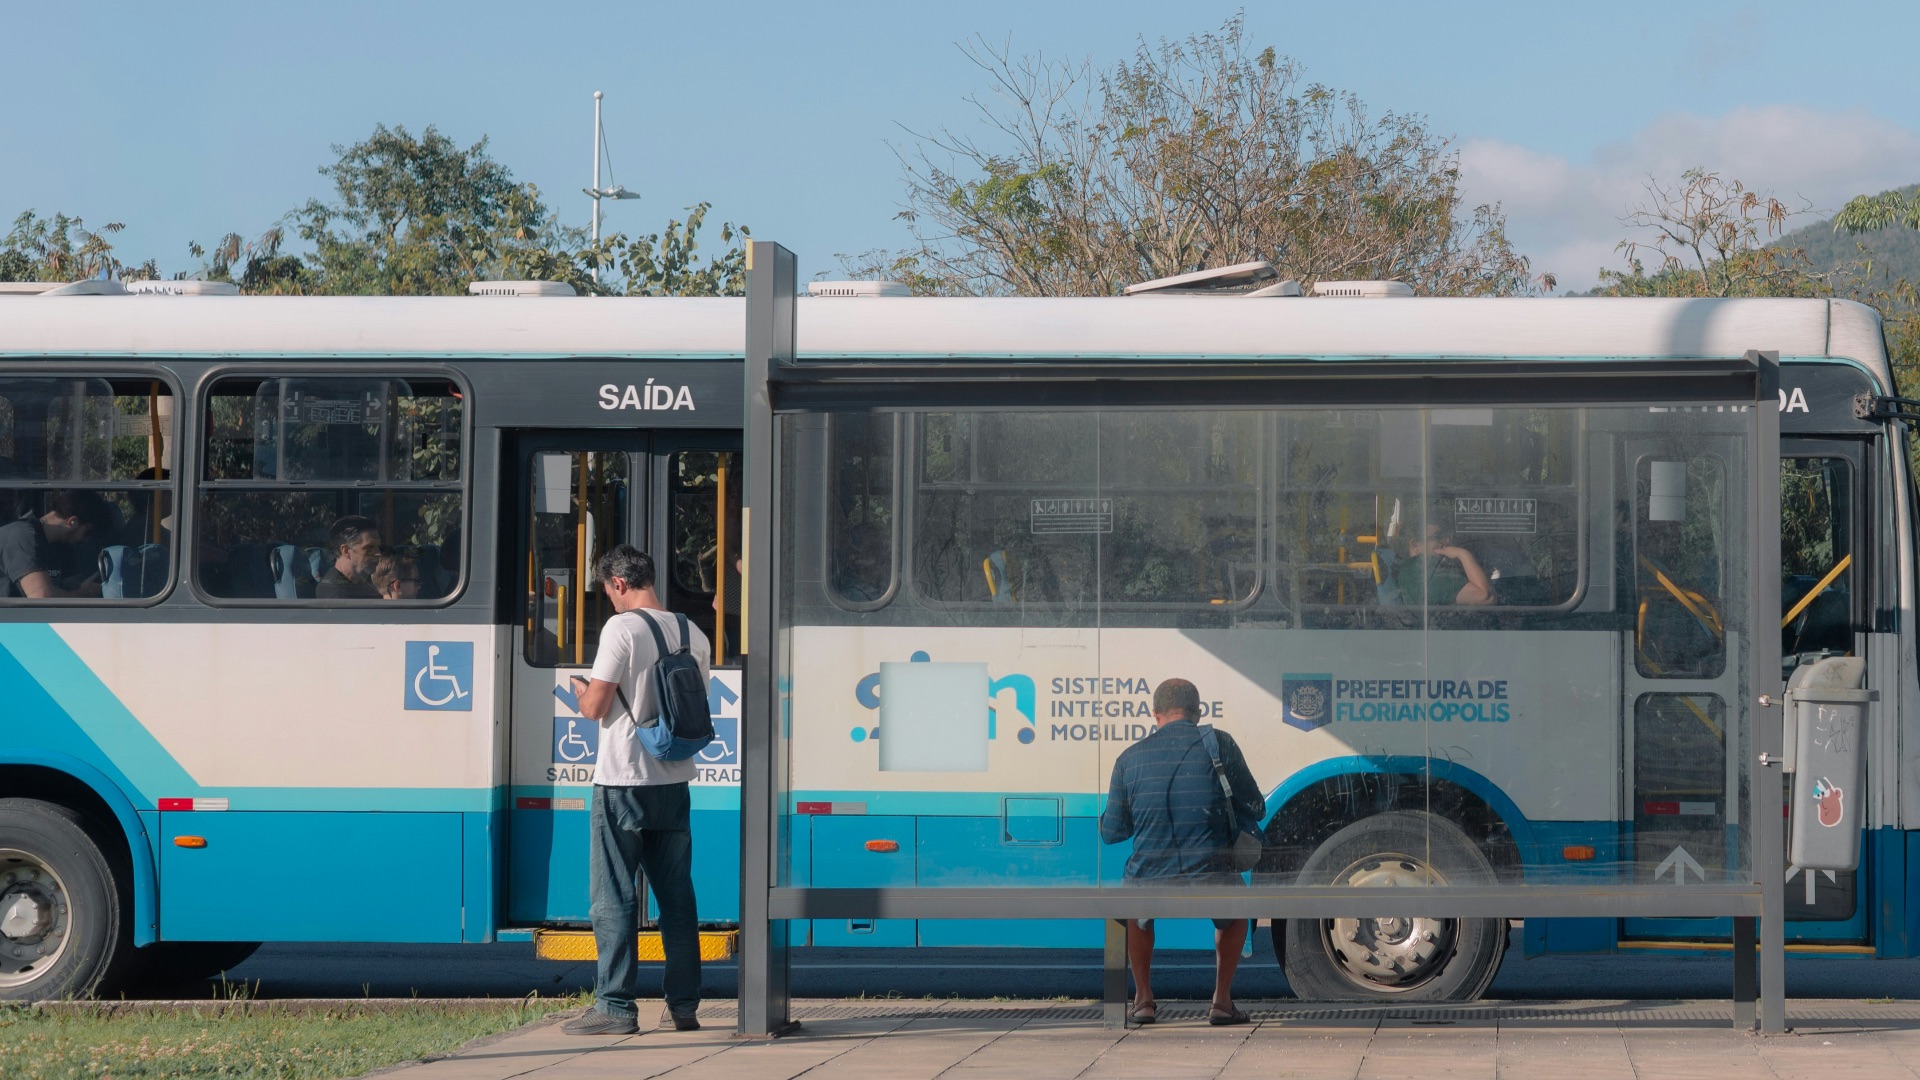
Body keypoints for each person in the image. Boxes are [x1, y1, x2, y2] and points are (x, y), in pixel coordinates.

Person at [562, 544, 710, 1037]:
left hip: (622, 778)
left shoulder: (620, 629)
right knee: (677, 898)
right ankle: (684, 1006)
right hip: (673, 780)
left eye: (607, 590)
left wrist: (582, 693)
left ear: (619, 584)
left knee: (614, 897)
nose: (609, 599)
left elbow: (597, 707)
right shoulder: (694, 632)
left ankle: (615, 1008)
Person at [1099, 678, 1263, 1027]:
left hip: (1149, 878)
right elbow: (1255, 805)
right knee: (1237, 910)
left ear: (1154, 714)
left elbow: (1112, 833)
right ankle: (1221, 1000)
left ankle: (1143, 1000)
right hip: (1212, 874)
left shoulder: (1129, 759)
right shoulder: (1220, 744)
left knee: (1133, 905)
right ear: (1198, 711)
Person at [0, 490, 113, 599]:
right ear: (72, 522)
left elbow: (68, 584)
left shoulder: (58, 546)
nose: (86, 540)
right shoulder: (22, 536)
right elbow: (42, 597)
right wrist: (82, 594)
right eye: (88, 533)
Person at [1396, 517, 1495, 607]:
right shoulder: (1430, 571)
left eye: (1446, 536)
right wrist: (1463, 554)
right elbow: (1484, 597)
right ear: (1415, 546)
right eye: (1438, 536)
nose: (1447, 541)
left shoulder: (1404, 568)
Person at [316, 515, 381, 599]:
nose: (378, 553)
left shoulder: (366, 583)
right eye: (370, 547)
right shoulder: (336, 593)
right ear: (346, 551)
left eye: (378, 547)